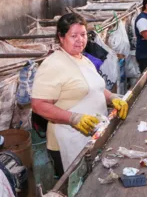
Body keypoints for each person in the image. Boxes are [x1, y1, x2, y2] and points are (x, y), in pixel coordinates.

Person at [31, 13, 129, 176]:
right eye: (73, 35)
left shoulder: (83, 59)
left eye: (83, 35)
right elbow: (38, 105)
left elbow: (94, 88)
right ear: (61, 38)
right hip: (68, 140)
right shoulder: (53, 64)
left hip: (92, 134)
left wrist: (112, 98)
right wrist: (73, 118)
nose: (80, 40)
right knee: (76, 186)